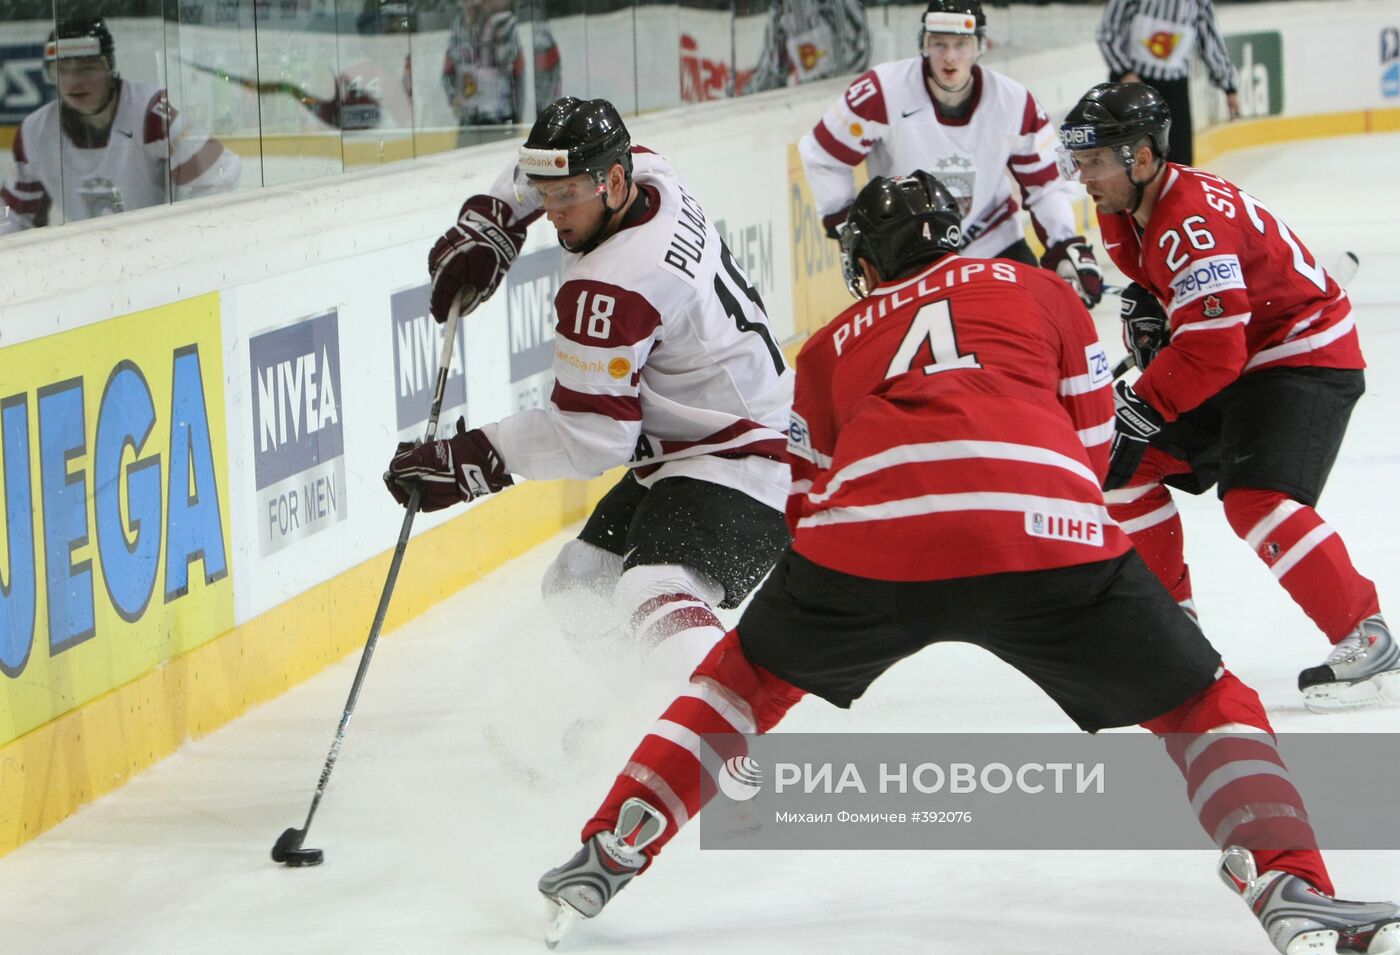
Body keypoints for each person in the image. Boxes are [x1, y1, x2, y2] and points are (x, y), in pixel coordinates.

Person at [530, 171, 1400, 952]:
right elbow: (1096, 450)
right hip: (1042, 533)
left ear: (867, 261)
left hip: (864, 545)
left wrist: (821, 597)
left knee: (736, 683)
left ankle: (608, 847)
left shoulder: (827, 346)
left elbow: (804, 497)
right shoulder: (1043, 289)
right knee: (1210, 703)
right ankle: (1288, 882)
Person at [385, 96, 792, 678]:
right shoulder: (653, 176)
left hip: (749, 463)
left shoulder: (613, 287)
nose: (551, 211)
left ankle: (717, 744)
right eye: (546, 194)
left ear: (613, 181)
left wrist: (471, 460)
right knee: (576, 586)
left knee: (654, 588)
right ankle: (630, 721)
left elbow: (593, 440)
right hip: (704, 450)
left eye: (566, 196)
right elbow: (551, 169)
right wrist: (494, 221)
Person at [1057, 82, 1398, 713]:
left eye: (1096, 160)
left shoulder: (1189, 221)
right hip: (1242, 353)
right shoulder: (1123, 208)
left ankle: (1366, 633)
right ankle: (1171, 630)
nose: (1084, 176)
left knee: (1255, 498)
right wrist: (1153, 308)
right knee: (1120, 467)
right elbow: (1198, 323)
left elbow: (1214, 350)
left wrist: (1141, 404)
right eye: (1079, 161)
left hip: (1303, 356)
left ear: (1140, 157)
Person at [797, 0, 1104, 308]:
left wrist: (1065, 244)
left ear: (980, 45)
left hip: (992, 243)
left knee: (1032, 335)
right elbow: (822, 154)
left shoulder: (1014, 103)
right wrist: (849, 227)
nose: (950, 56)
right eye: (939, 43)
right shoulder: (882, 91)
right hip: (909, 254)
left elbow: (1046, 185)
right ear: (923, 44)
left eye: (961, 44)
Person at [0, 16, 241, 235]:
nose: (73, 82)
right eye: (61, 70)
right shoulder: (35, 132)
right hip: (88, 255)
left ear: (110, 68)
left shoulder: (152, 113)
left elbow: (219, 176)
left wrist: (183, 237)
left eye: (87, 68)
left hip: (155, 250)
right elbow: (14, 217)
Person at [1097, 0, 1240, 165]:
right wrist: (1125, 72)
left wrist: (1229, 87)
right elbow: (1107, 33)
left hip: (1173, 90)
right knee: (1127, 160)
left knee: (1178, 161)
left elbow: (1211, 43)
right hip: (1130, 86)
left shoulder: (1199, 3)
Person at [442, 0, 561, 145]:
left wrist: (518, 117)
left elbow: (519, 76)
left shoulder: (509, 25)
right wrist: (455, 99)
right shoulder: (458, 26)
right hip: (469, 124)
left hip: (501, 121)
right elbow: (448, 71)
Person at [745, 0, 871, 94]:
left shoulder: (840, 4)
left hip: (847, 96)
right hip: (810, 101)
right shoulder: (781, 7)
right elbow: (773, 69)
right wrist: (744, 92)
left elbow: (861, 49)